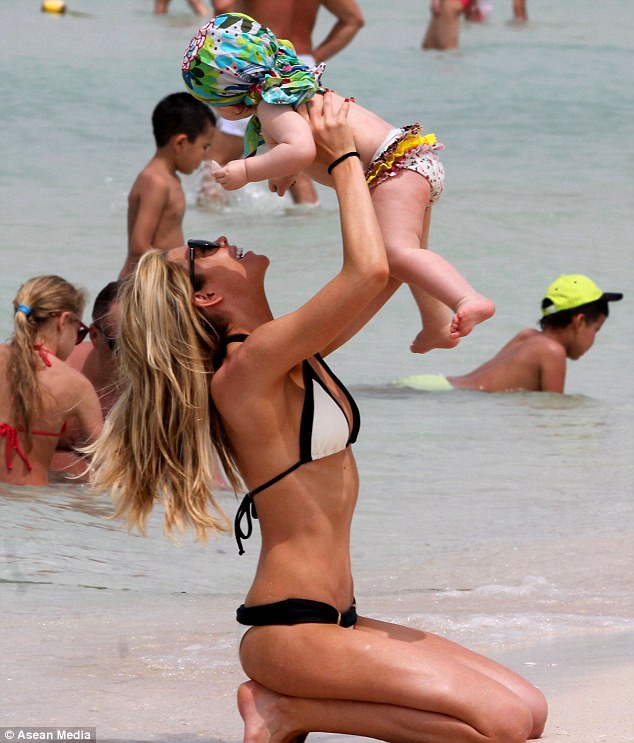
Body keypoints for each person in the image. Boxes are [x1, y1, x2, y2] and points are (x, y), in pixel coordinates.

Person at [89, 93, 547, 742]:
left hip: (335, 617)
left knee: (530, 707)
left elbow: (385, 268)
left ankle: (288, 708)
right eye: (205, 248)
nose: (223, 238)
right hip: (291, 626)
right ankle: (288, 710)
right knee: (503, 723)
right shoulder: (245, 370)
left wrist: (396, 169)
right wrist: (340, 160)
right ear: (208, 295)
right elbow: (366, 269)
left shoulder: (284, 350)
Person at [183, 12, 495, 353]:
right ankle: (435, 324)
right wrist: (283, 173)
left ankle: (468, 299)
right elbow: (301, 147)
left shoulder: (271, 108)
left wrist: (246, 171)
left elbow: (300, 149)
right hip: (407, 163)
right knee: (411, 253)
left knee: (396, 254)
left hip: (393, 171)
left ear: (228, 96)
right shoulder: (288, 90)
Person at [198, 0, 364, 209]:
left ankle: (208, 223)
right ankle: (308, 217)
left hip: (253, 73)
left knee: (216, 162)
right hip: (297, 67)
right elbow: (353, 21)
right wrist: (311, 59)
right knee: (298, 167)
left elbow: (223, 6)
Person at [396, 274, 623, 393]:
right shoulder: (553, 352)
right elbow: (553, 413)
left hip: (435, 383)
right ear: (579, 321)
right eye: (596, 329)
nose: (594, 338)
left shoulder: (527, 336)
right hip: (449, 396)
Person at [0, 276, 103, 486]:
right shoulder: (76, 385)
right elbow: (108, 461)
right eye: (79, 331)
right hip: (34, 504)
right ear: (64, 320)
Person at [120, 93, 216, 279]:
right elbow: (139, 246)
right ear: (180, 143)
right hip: (143, 283)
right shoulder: (155, 181)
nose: (205, 156)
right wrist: (178, 271)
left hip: (158, 279)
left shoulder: (170, 179)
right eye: (204, 147)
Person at [50, 282, 121, 481]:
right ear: (95, 336)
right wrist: (76, 468)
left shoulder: (165, 384)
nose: (138, 356)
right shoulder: (57, 377)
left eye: (145, 344)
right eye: (122, 346)